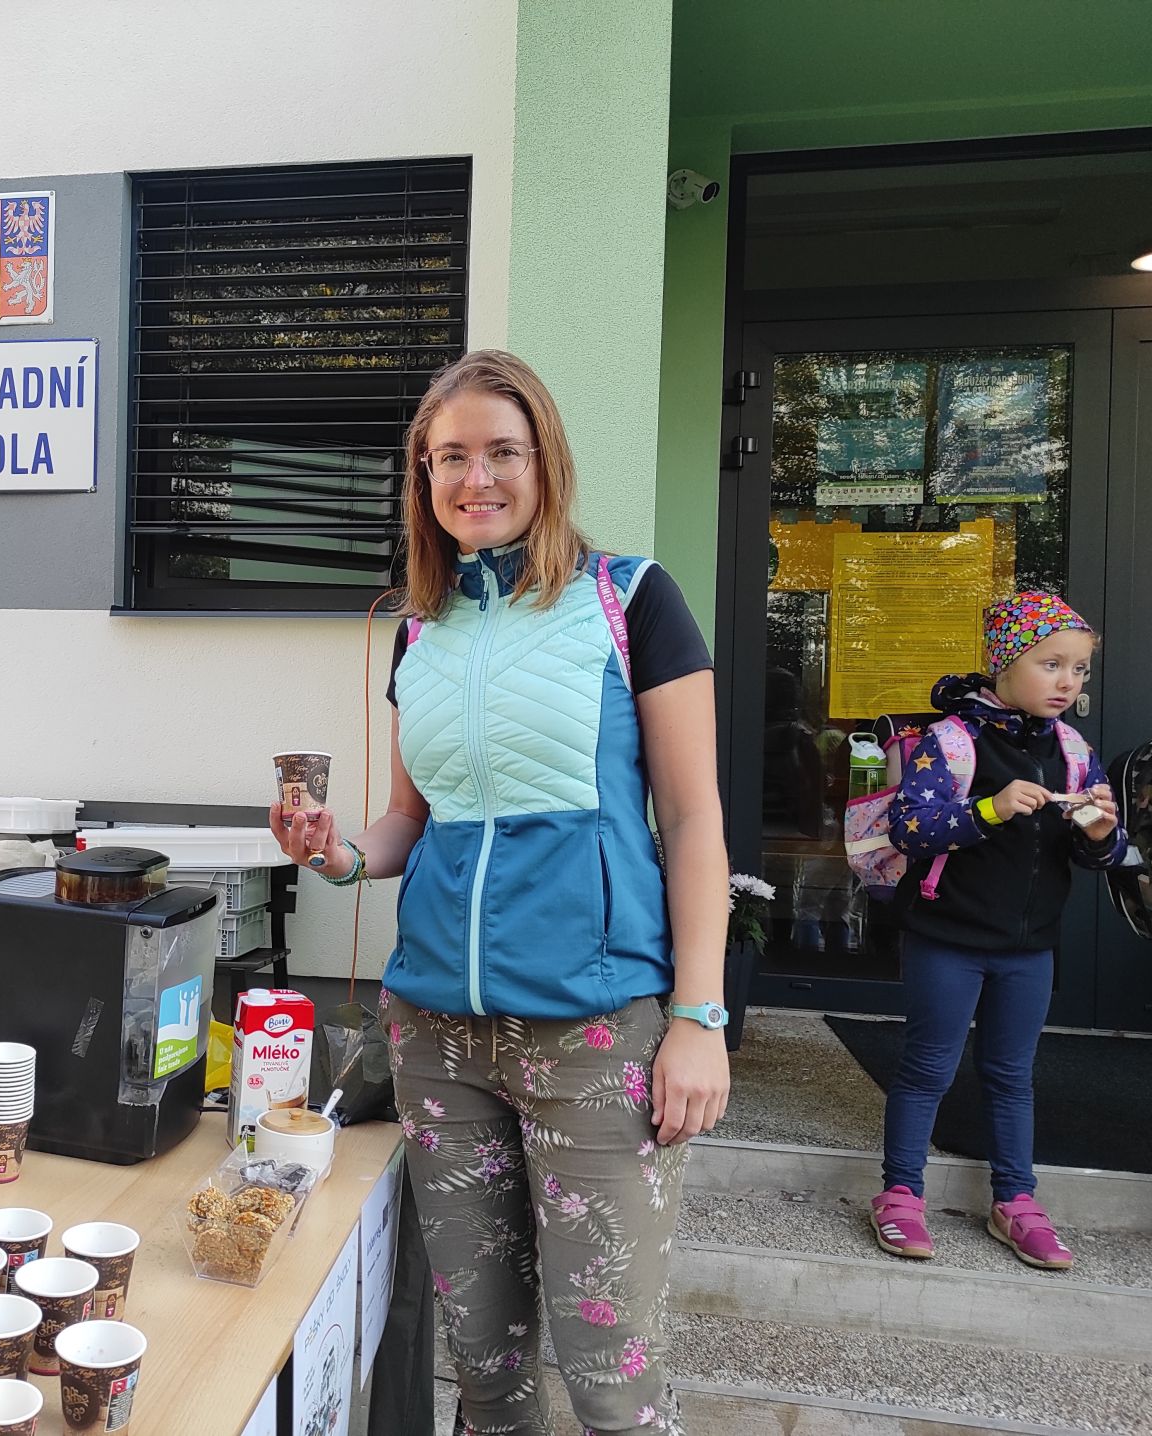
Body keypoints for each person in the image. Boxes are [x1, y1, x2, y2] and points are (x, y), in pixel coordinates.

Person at [269, 350, 729, 1435]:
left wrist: (700, 1016)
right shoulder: (420, 628)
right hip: (436, 1037)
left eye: (501, 452)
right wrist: (334, 853)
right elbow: (407, 821)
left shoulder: (630, 599)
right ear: (423, 477)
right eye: (450, 457)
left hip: (594, 1031)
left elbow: (693, 818)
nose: (476, 478)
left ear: (544, 461)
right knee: (485, 1369)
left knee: (611, 1375)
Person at [871, 592, 1126, 1270]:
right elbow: (910, 829)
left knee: (1012, 1075)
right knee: (927, 1068)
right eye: (1052, 664)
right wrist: (991, 807)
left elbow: (1103, 856)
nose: (1068, 682)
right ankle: (900, 1193)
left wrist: (1101, 832)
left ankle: (1015, 1201)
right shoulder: (952, 741)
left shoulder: (1073, 751)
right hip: (947, 941)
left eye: (1079, 669)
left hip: (1028, 949)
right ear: (1003, 662)